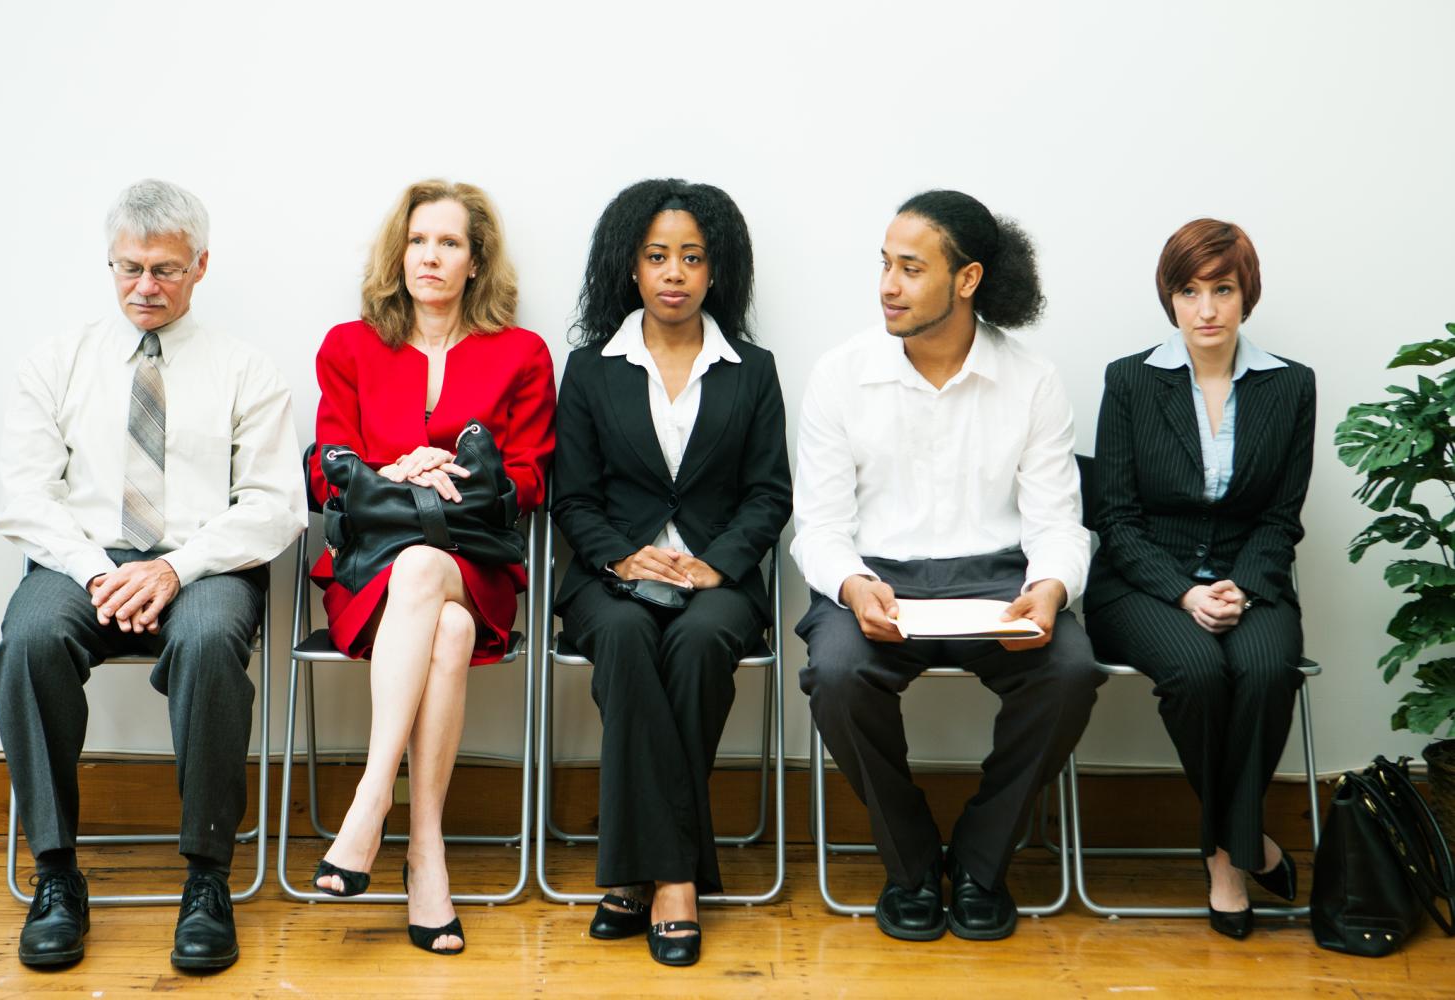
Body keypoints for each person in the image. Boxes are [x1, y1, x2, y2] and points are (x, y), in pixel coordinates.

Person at [0, 179, 305, 970]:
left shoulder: (245, 370)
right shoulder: (57, 362)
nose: (144, 287)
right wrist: (101, 573)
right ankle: (56, 873)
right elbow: (26, 498)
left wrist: (173, 566)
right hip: (82, 560)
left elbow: (274, 506)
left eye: (163, 270)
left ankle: (207, 879)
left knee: (206, 645)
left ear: (200, 266)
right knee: (27, 640)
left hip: (205, 563)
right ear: (110, 263)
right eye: (128, 269)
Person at [793, 189, 1100, 943]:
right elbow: (821, 527)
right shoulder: (840, 376)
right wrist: (852, 583)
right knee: (835, 675)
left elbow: (1058, 522)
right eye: (885, 265)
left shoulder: (1031, 380)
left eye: (910, 268)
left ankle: (979, 861)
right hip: (877, 580)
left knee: (1068, 672)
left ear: (966, 281)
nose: (887, 286)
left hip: (999, 582)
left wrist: (1051, 587)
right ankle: (909, 862)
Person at [306, 179, 555, 955]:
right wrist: (397, 472)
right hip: (374, 568)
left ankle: (370, 803)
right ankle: (425, 853)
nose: (431, 257)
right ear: (399, 251)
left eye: (449, 243)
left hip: (474, 563)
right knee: (439, 620)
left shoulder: (522, 354)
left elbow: (534, 478)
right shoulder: (349, 346)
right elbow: (323, 473)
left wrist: (458, 475)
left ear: (476, 262)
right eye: (419, 241)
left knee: (434, 578)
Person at [549, 179, 792, 967]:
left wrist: (718, 567)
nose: (675, 273)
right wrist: (622, 553)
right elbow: (573, 499)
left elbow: (768, 494)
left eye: (692, 257)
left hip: (715, 584)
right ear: (631, 267)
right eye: (658, 257)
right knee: (622, 636)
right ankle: (679, 878)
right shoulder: (590, 369)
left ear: (717, 272)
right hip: (607, 577)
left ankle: (635, 875)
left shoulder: (753, 370)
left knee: (694, 647)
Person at [1084, 219, 1315, 939]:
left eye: (1223, 289)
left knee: (1268, 667)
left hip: (1251, 575)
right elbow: (1115, 516)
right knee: (1197, 672)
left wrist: (1240, 587)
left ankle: (1226, 846)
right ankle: (1242, 853)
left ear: (1247, 295)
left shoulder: (1292, 387)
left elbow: (1281, 518)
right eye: (1189, 291)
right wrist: (1185, 592)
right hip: (1142, 580)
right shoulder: (1129, 380)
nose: (1206, 308)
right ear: (1170, 298)